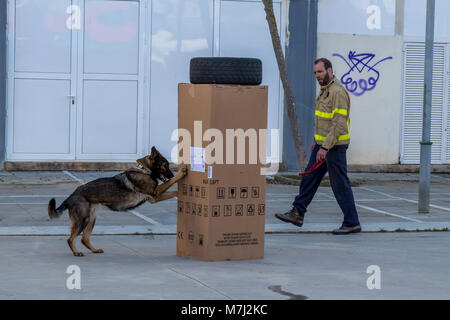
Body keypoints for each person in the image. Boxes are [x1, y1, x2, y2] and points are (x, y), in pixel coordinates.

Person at [275, 58, 361, 235]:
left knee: (339, 185)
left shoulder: (337, 92)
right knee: (309, 179)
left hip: (334, 147)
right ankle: (297, 212)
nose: (317, 75)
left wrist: (325, 148)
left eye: (320, 72)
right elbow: (323, 120)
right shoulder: (325, 91)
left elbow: (339, 124)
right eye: (315, 73)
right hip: (322, 145)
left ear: (329, 70)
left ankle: (352, 222)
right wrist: (317, 140)